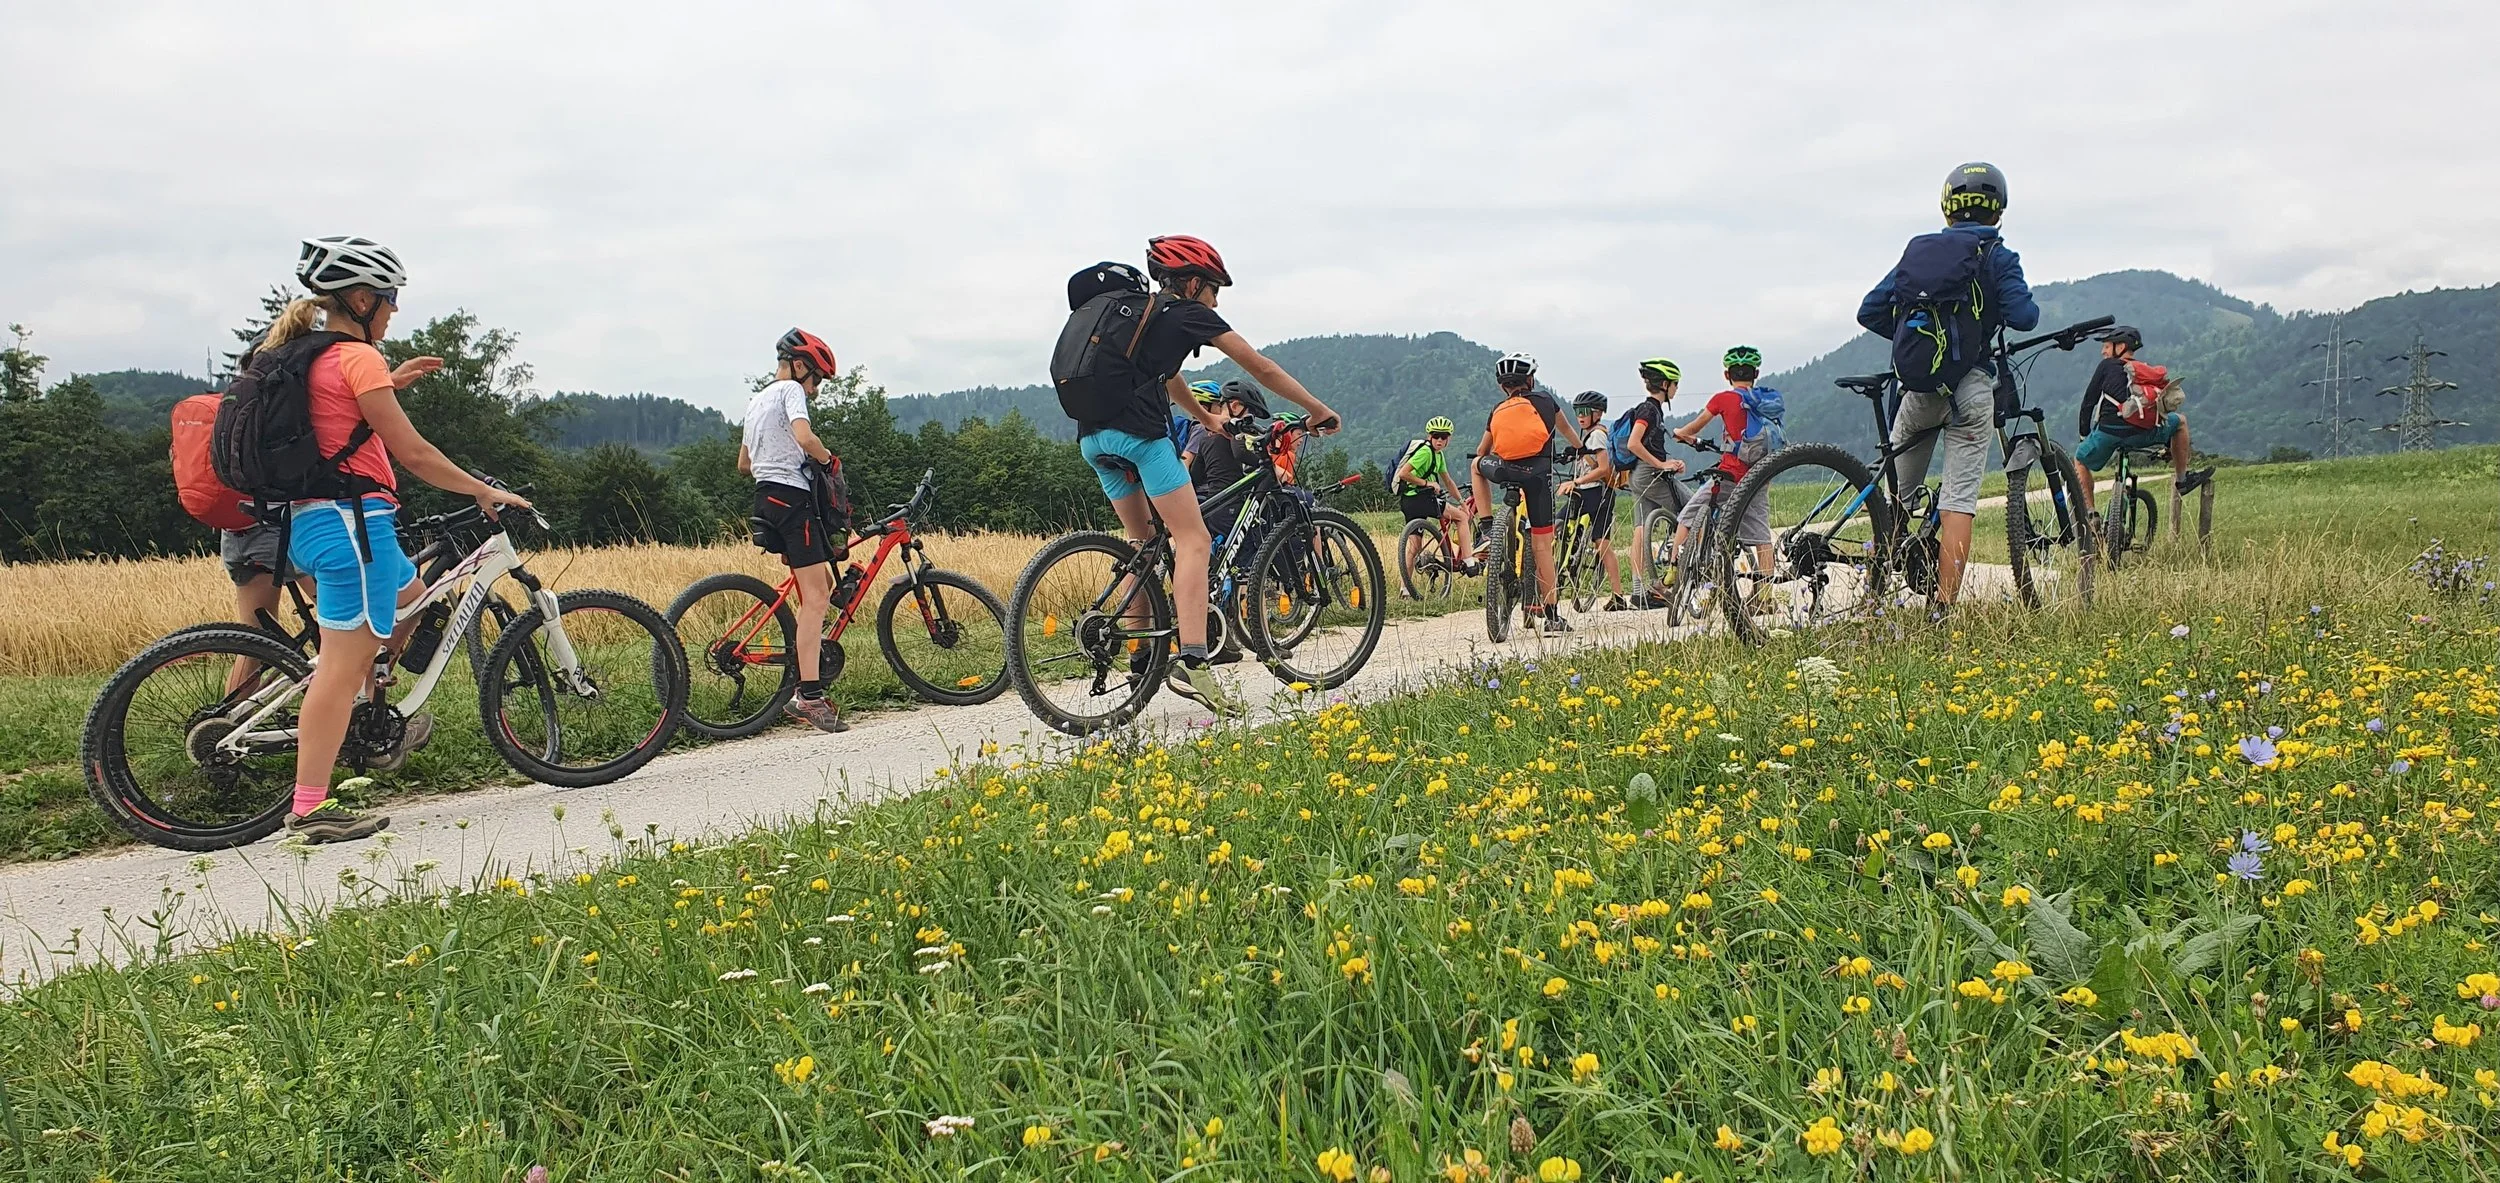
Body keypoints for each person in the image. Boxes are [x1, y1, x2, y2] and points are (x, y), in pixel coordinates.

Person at [270, 236, 532, 844]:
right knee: (339, 667)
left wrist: (390, 381)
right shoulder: (356, 357)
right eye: (388, 300)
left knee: (415, 593)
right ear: (361, 298)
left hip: (316, 524)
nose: (393, 312)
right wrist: (481, 490)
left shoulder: (312, 354)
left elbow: (339, 417)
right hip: (347, 526)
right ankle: (309, 809)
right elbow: (412, 451)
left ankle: (374, 706)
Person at [1077, 235, 1340, 713]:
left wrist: (1206, 419)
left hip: (1093, 438)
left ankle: (1141, 661)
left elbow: (1170, 377)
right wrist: (1317, 409)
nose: (1217, 300)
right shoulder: (1186, 313)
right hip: (1140, 436)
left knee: (1142, 546)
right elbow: (1260, 366)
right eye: (1215, 288)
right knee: (1193, 540)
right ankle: (1194, 660)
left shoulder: (1143, 317)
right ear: (1194, 282)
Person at [1855, 161, 2040, 608]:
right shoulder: (1997, 256)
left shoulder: (1919, 256)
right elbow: (2025, 317)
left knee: (1896, 499)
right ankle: (1943, 608)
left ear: (1947, 208)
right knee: (1958, 500)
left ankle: (1875, 594)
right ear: (1998, 210)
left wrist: (1919, 343)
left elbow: (1870, 311)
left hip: (1917, 391)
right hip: (1972, 388)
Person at [741, 328, 850, 733]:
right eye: (817, 378)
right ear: (799, 366)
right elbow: (805, 438)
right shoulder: (791, 392)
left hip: (765, 499)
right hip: (792, 501)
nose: (817, 387)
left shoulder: (755, 402)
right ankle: (809, 696)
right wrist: (828, 461)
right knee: (817, 599)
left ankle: (811, 668)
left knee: (818, 581)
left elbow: (744, 464)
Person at [1468, 352, 1586, 634]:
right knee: (1542, 546)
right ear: (1530, 379)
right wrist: (1581, 450)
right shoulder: (1545, 401)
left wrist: (1491, 458)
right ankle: (1552, 615)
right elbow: (1568, 431)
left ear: (1502, 386)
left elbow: (1483, 450)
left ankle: (1486, 528)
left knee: (1475, 465)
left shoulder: (1498, 408)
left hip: (1505, 470)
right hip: (1537, 476)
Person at [2072, 325, 2212, 513]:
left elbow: (2088, 402)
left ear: (2120, 347)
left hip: (2108, 433)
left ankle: (2090, 514)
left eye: (2106, 346)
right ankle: (2182, 480)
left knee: (2080, 461)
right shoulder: (2142, 370)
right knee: (2180, 422)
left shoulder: (2106, 366)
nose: (2102, 351)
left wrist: (2084, 435)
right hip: (2144, 433)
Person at [1665, 348, 1776, 585]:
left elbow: (1696, 426)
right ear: (1756, 373)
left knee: (1688, 515)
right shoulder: (1766, 400)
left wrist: (1679, 433)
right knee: (1761, 536)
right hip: (1759, 475)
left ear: (1727, 375)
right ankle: (1766, 594)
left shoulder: (1723, 399)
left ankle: (1673, 571)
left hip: (1729, 474)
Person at [1620, 358, 1689, 605]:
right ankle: (1672, 577)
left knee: (1641, 530)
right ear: (1664, 385)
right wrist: (1661, 465)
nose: (1677, 388)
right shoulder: (1649, 410)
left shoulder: (1650, 409)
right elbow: (1633, 443)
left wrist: (1669, 462)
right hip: (1649, 474)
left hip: (1637, 476)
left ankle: (1639, 592)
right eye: (1675, 384)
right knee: (1692, 511)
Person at [1559, 391, 1632, 611]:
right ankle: (1568, 562)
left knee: (1602, 543)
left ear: (1598, 413)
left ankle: (1618, 595)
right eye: (1577, 412)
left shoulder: (1598, 435)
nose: (1580, 416)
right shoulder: (1588, 435)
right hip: (1584, 492)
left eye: (1585, 412)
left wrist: (1577, 481)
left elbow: (1603, 468)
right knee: (1559, 524)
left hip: (1598, 493)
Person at [1395, 415, 1476, 586]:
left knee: (1415, 546)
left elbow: (1448, 482)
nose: (1439, 440)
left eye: (1443, 437)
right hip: (1422, 500)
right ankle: (1469, 562)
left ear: (1449, 439)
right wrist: (1427, 483)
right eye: (1436, 436)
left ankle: (1405, 589)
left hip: (1409, 502)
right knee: (1462, 518)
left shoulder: (1437, 456)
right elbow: (1404, 473)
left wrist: (1461, 502)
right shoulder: (1426, 452)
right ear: (1429, 436)